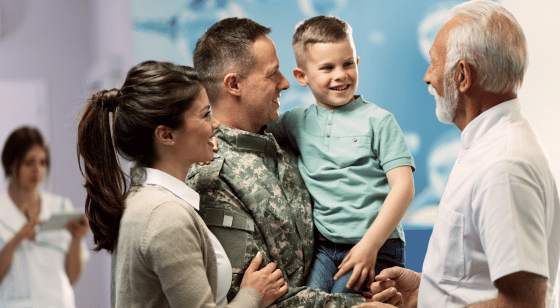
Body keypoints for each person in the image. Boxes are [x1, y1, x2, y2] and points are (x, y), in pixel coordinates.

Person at [354, 1, 560, 307]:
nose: (427, 76)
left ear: (462, 75)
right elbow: (478, 281)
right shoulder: (488, 148)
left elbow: (523, 304)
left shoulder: (503, 166)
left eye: (434, 63)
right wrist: (422, 294)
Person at [188, 17, 399, 307]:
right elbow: (256, 297)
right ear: (234, 84)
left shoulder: (289, 142)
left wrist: (373, 289)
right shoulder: (212, 178)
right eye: (272, 74)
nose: (285, 83)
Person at [76, 60, 287, 308]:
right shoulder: (166, 215)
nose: (215, 124)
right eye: (205, 114)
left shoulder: (146, 201)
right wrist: (253, 294)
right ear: (166, 135)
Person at [265, 15, 415, 295]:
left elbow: (404, 188)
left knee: (341, 302)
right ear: (302, 76)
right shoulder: (295, 122)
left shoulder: (379, 121)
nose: (340, 74)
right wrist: (213, 125)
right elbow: (253, 127)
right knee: (306, 300)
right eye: (327, 67)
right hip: (326, 247)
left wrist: (369, 245)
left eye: (347, 63)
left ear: (357, 63)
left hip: (378, 244)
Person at [0, 125, 90, 308]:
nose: (37, 170)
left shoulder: (61, 207)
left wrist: (77, 238)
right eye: (29, 162)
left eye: (42, 162)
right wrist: (17, 240)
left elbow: (72, 278)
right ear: (11, 163)